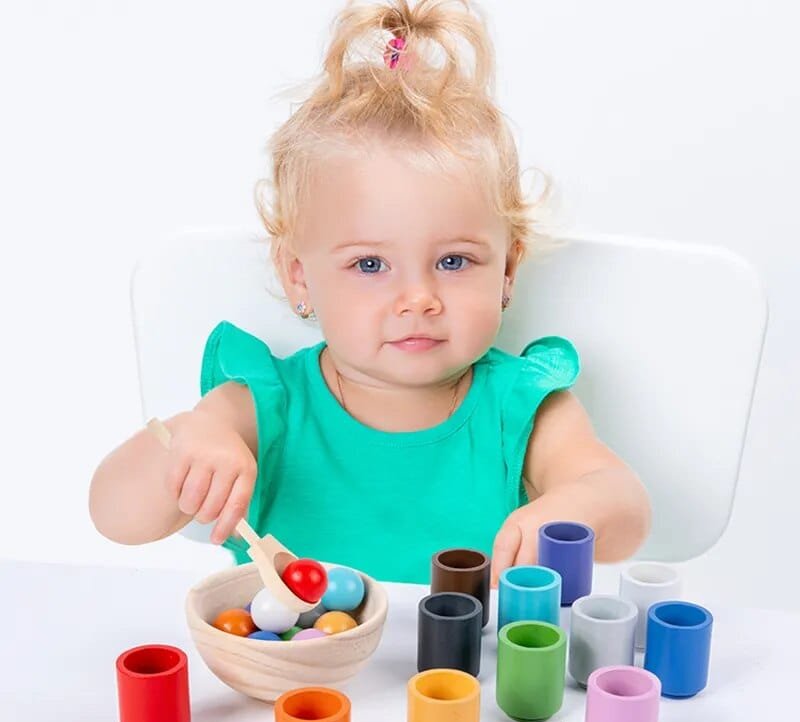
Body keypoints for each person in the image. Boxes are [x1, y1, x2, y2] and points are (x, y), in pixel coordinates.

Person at [89, 0, 650, 587]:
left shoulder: (523, 409)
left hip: (466, 676)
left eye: (454, 261)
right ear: (299, 276)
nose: (417, 298)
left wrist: (576, 509)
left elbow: (626, 509)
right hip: (296, 670)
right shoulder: (260, 405)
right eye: (370, 263)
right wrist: (191, 442)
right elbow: (115, 516)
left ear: (507, 270)